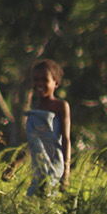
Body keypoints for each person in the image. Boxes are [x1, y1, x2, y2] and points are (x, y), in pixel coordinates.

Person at [24, 58, 71, 197]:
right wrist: (14, 165)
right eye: (36, 79)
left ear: (56, 83)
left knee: (47, 198)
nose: (39, 84)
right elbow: (32, 143)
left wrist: (66, 172)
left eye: (45, 80)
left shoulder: (61, 106)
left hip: (54, 165)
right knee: (32, 200)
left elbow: (66, 139)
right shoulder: (34, 109)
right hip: (38, 166)